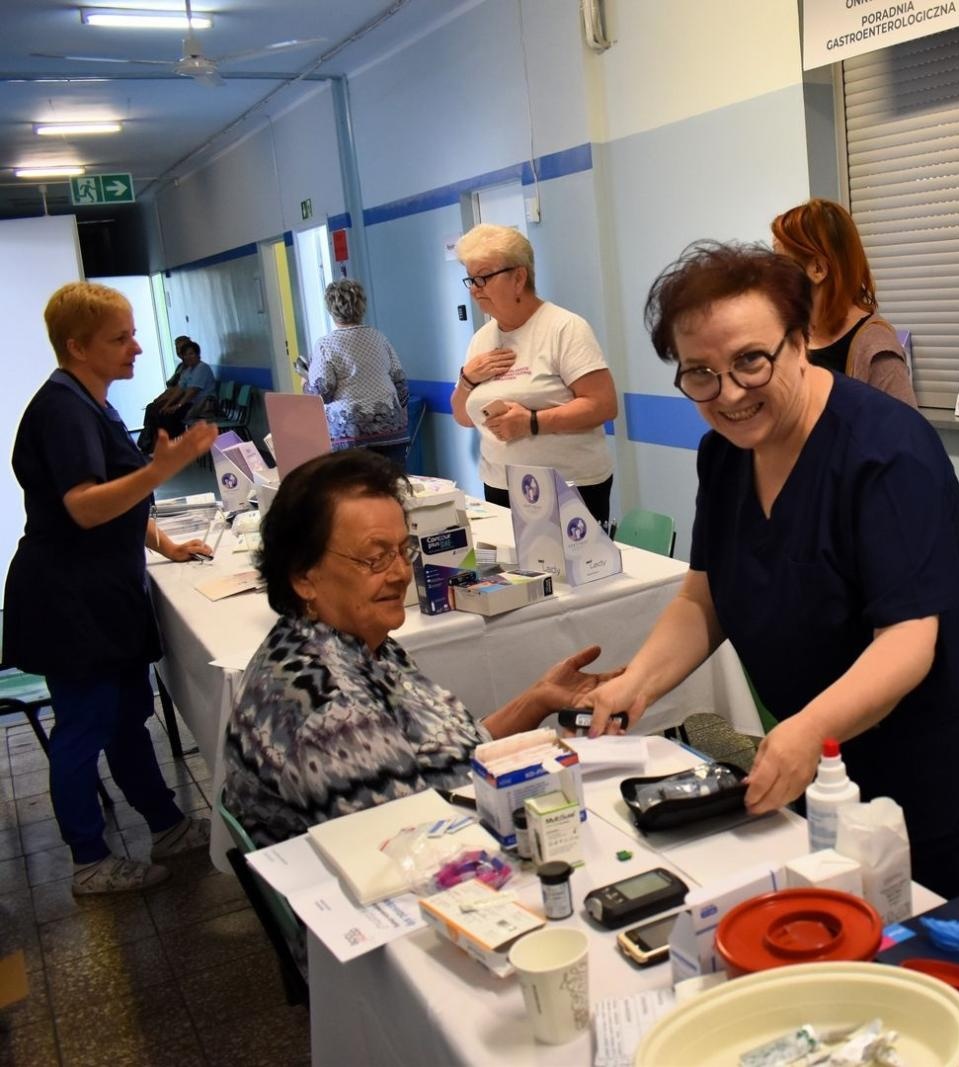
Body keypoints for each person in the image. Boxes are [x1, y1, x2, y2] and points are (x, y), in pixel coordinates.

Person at [584, 242, 959, 899]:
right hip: (827, 745)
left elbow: (909, 641)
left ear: (800, 341)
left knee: (919, 928)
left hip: (931, 746)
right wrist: (637, 682)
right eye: (700, 373)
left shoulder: (883, 454)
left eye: (750, 360)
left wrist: (806, 730)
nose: (730, 392)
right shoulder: (725, 455)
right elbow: (705, 597)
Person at [219, 449, 616, 848]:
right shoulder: (333, 713)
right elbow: (418, 851)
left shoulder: (347, 640)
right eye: (374, 558)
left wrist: (537, 700)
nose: (399, 574)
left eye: (403, 550)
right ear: (303, 577)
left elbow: (444, 754)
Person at [4, 282, 218, 894]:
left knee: (128, 715)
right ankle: (88, 860)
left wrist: (165, 543)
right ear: (77, 346)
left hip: (104, 591)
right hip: (70, 600)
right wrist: (161, 469)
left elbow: (119, 501)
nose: (135, 349)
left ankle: (165, 823)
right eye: (119, 338)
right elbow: (86, 507)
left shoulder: (91, 401)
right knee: (86, 723)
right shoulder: (63, 410)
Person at [450, 224, 618, 523]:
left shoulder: (564, 328)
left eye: (483, 278)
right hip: (500, 486)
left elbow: (603, 405)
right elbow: (464, 417)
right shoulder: (481, 339)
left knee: (568, 571)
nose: (475, 289)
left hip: (569, 486)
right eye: (471, 279)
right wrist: (467, 380)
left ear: (518, 278)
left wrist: (532, 423)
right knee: (512, 570)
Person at [771, 198, 916, 407]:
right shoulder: (791, 336)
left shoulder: (876, 349)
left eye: (780, 262)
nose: (771, 274)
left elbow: (905, 436)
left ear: (818, 269)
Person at [305, 279, 410, 467]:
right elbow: (401, 387)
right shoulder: (379, 337)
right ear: (362, 306)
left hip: (350, 436)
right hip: (392, 431)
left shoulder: (325, 344)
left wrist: (305, 383)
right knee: (393, 488)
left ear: (331, 309)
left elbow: (320, 394)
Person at [137, 335, 215, 452]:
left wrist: (176, 406)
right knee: (160, 411)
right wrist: (167, 405)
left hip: (199, 405)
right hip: (188, 403)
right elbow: (179, 389)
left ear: (198, 355)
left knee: (168, 416)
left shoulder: (202, 368)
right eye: (185, 354)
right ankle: (153, 445)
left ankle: (166, 447)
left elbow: (192, 392)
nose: (188, 357)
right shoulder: (187, 370)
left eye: (191, 354)